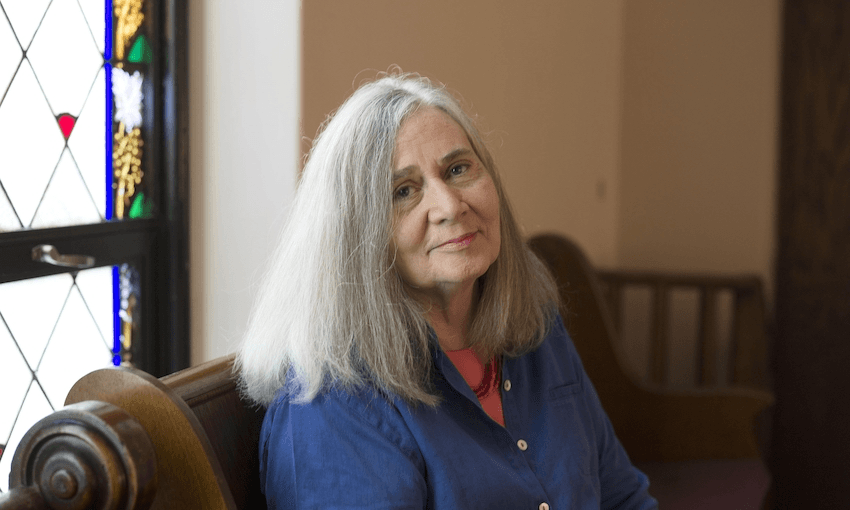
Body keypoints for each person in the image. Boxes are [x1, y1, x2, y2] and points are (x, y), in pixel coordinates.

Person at [236, 73, 657, 509]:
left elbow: (623, 497)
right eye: (403, 191)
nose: (451, 206)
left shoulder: (536, 327)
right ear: (354, 239)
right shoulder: (332, 405)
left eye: (458, 169)